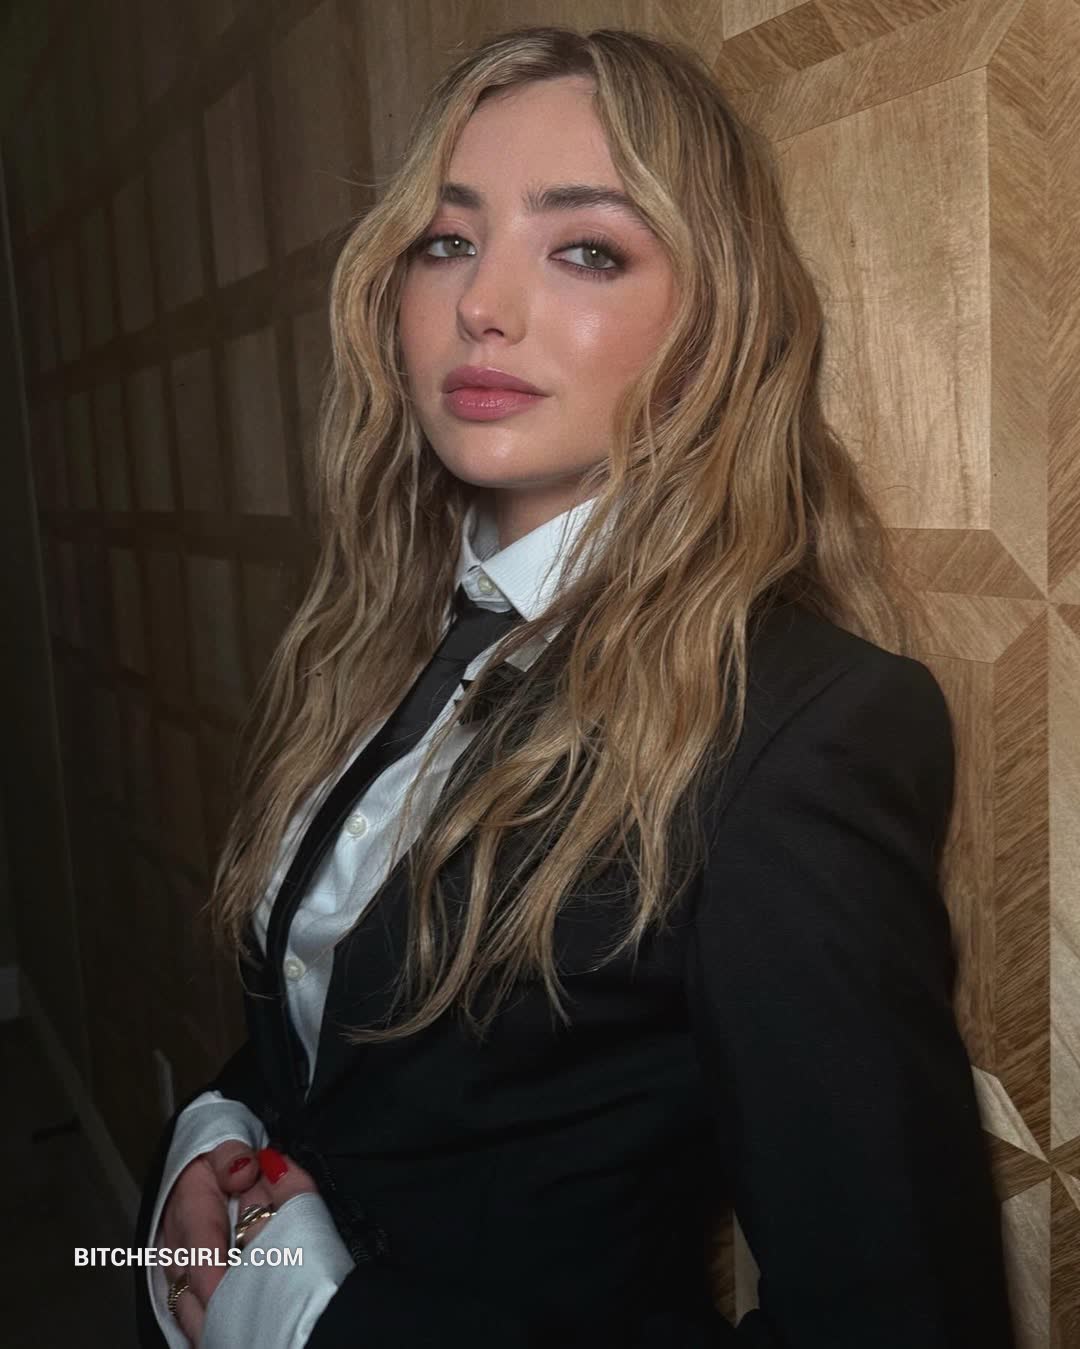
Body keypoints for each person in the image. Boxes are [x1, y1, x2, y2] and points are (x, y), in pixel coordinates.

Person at [132, 24, 1016, 1349]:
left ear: (713, 323)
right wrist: (217, 1132)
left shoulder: (802, 730)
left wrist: (318, 1324)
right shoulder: (383, 636)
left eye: (587, 248)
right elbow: (339, 1023)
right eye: (447, 240)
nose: (482, 303)